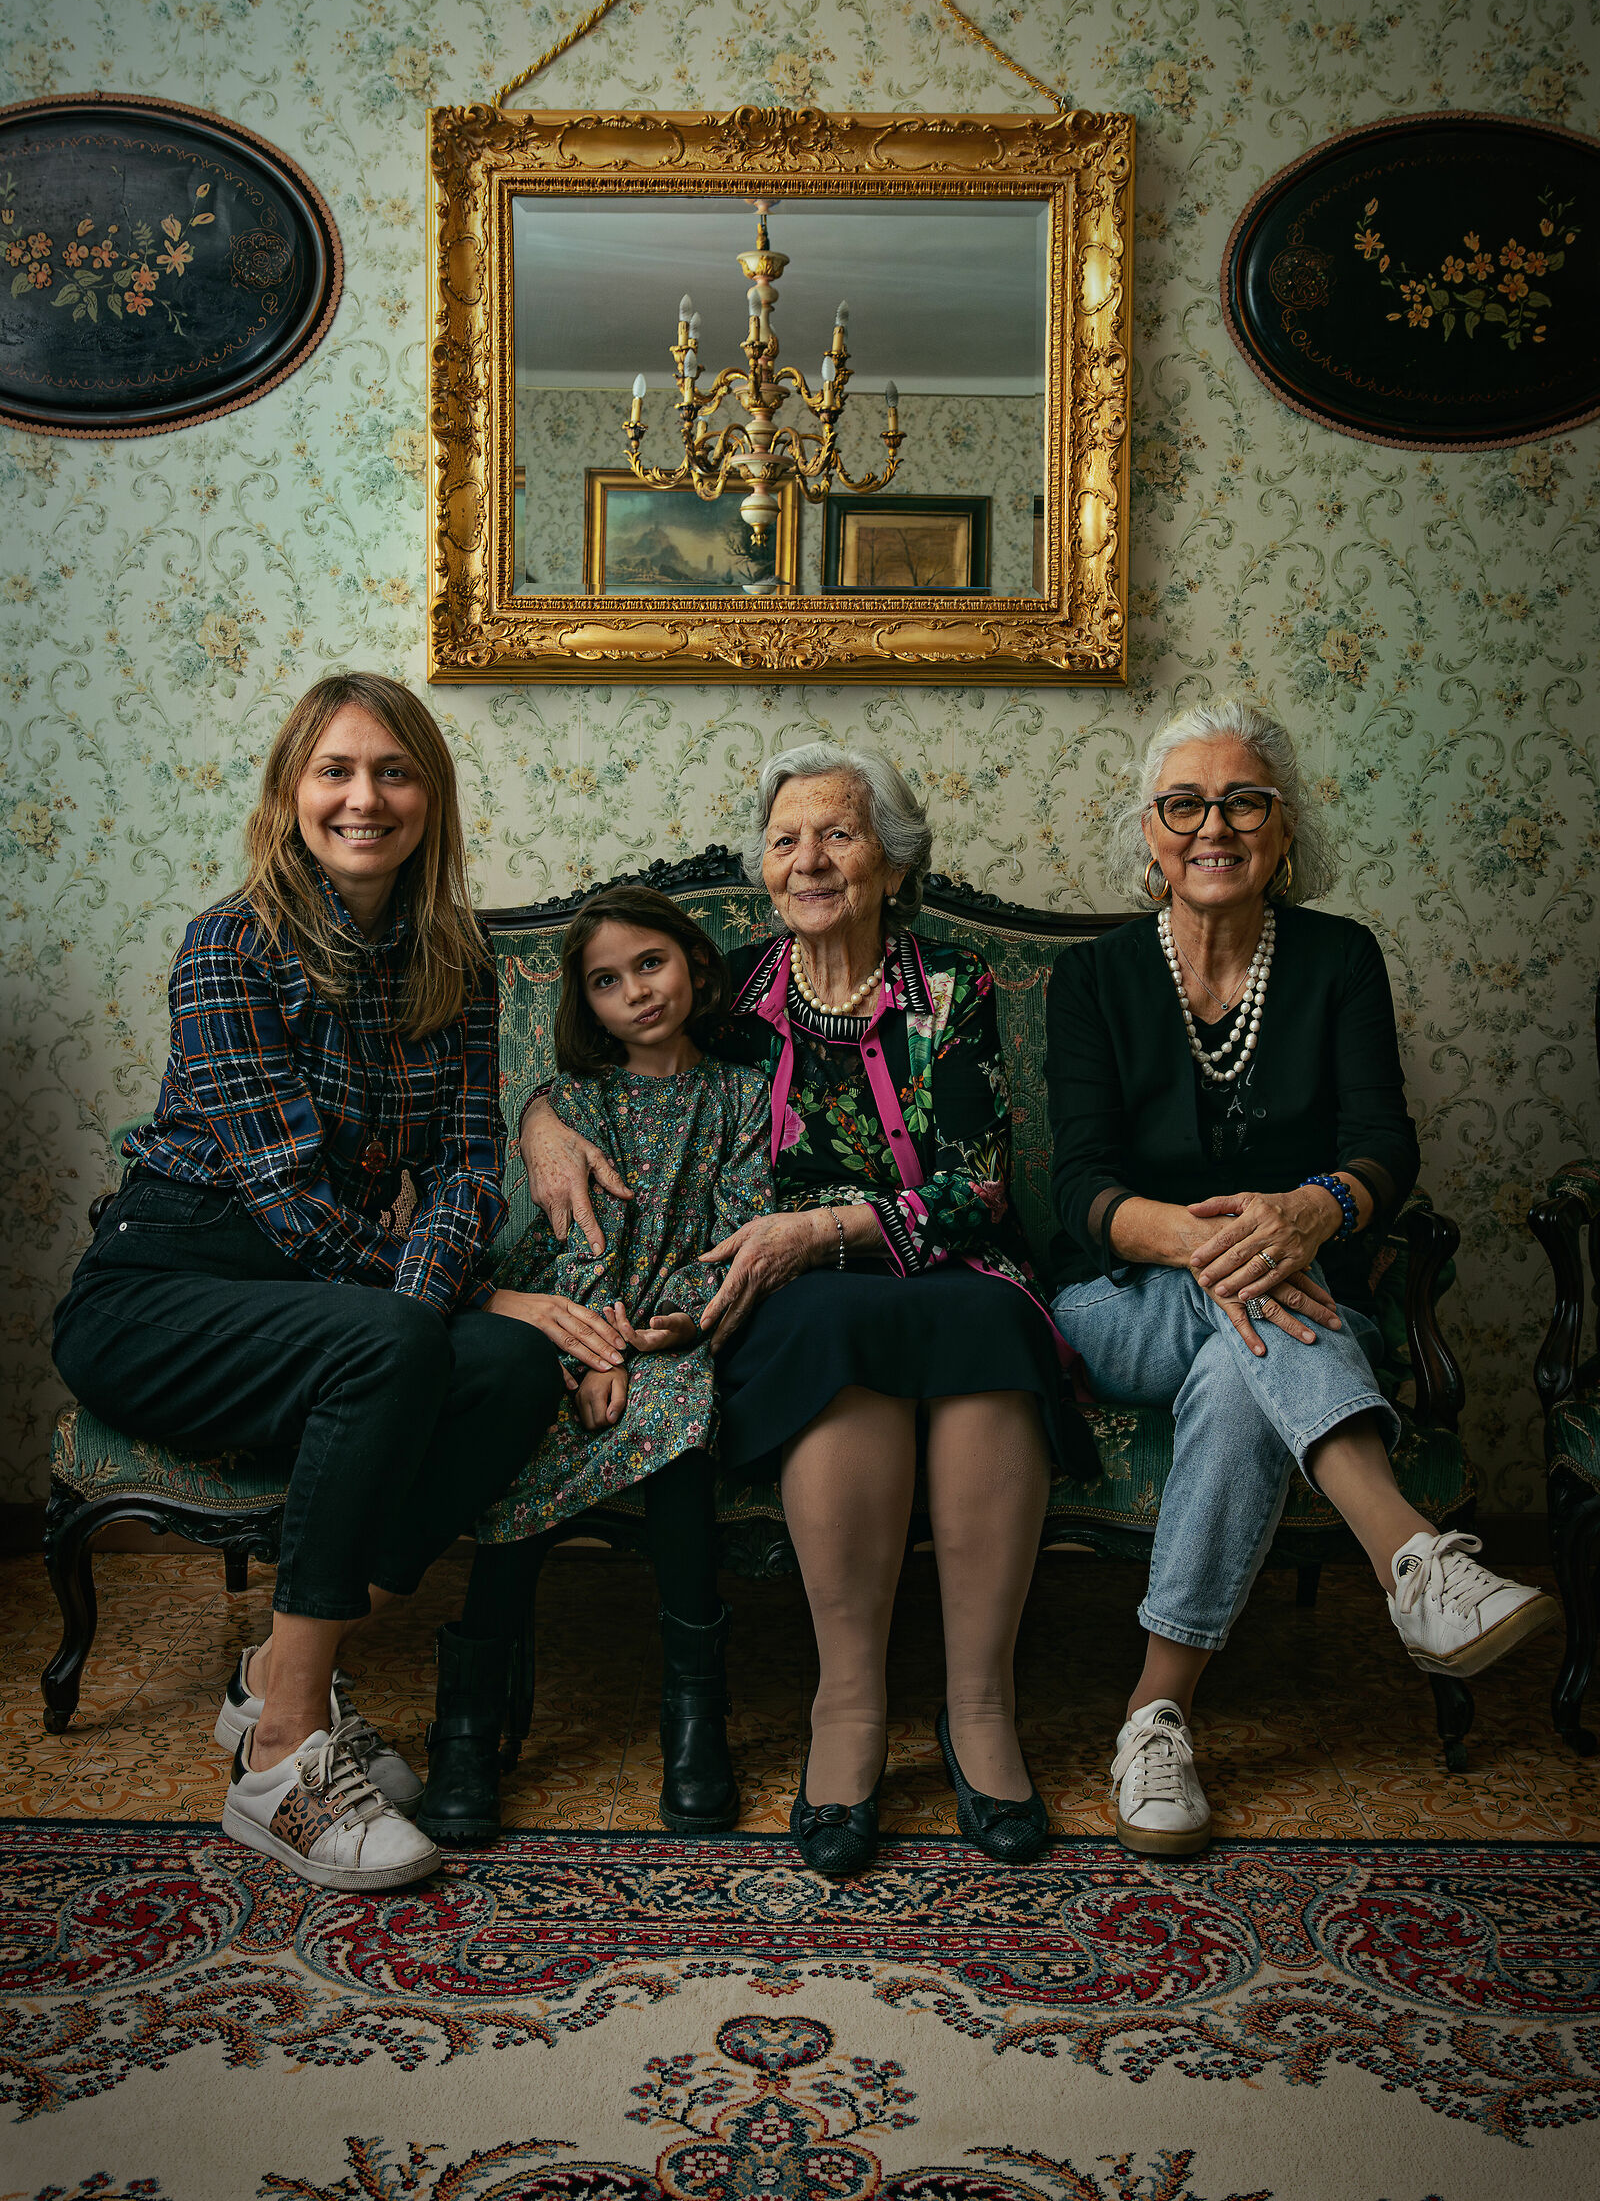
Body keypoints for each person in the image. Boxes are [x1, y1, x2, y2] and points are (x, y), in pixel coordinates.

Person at [51, 671, 626, 1893]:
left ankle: (273, 1671)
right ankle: (280, 1756)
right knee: (412, 1340)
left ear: (430, 797)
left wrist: (447, 1309)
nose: (365, 798)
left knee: (511, 1365)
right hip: (163, 1289)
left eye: (394, 772)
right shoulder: (229, 944)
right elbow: (290, 1205)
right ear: (291, 793)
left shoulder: (456, 960)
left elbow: (467, 1165)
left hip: (333, 1306)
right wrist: (452, 1300)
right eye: (336, 771)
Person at [522, 743, 1099, 1876]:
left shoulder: (954, 987)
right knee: (828, 1324)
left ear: (892, 862)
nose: (809, 860)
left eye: (838, 834)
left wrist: (830, 1227)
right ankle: (849, 1708)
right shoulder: (730, 990)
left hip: (941, 1261)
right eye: (786, 840)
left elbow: (978, 1188)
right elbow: (613, 1060)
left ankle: (981, 1707)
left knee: (987, 1325)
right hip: (792, 1292)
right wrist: (542, 1120)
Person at [1047, 695, 1559, 1859]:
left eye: (1244, 801)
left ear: (1282, 828)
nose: (1213, 826)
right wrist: (1216, 1244)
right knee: (1250, 1294)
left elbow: (1384, 1146)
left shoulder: (1338, 959)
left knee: (1241, 1372)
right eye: (1184, 803)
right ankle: (1412, 1559)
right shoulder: (1093, 980)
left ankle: (1153, 1717)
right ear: (1148, 831)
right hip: (1121, 1303)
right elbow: (1078, 1187)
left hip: (1293, 1298)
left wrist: (1314, 1208)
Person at [416, 887, 771, 1846]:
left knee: (678, 1435)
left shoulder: (743, 1094)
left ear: (696, 964)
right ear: (588, 1005)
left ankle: (695, 1713)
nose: (637, 992)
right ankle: (467, 1723)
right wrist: (594, 1348)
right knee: (526, 1443)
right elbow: (579, 1235)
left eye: (650, 964)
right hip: (572, 1314)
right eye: (607, 982)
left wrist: (676, 1323)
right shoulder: (576, 1101)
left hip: (677, 1327)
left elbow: (741, 1223)